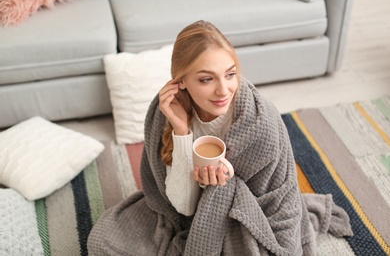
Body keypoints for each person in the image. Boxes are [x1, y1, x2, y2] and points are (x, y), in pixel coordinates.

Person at [87, 20, 352, 256]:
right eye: (206, 79)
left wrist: (224, 185)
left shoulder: (261, 122)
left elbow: (274, 203)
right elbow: (182, 208)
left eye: (230, 74)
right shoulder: (165, 113)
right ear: (181, 81)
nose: (223, 90)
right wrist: (181, 132)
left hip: (249, 216)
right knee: (104, 241)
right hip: (188, 214)